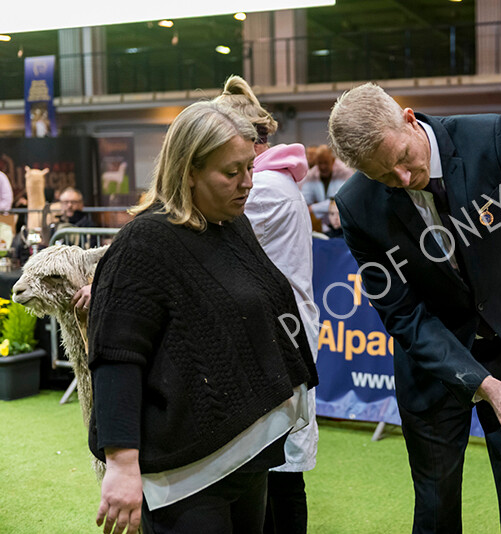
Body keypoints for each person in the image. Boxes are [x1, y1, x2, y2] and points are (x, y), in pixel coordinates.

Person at [329, 82, 501, 534]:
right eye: (380, 176)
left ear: (410, 119)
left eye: (400, 158)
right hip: (434, 368)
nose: (399, 178)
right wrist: (482, 383)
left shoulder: (489, 137)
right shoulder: (355, 205)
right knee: (434, 511)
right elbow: (404, 315)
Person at [87, 101, 318, 534]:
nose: (247, 183)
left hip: (247, 455)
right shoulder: (143, 245)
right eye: (231, 173)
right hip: (187, 475)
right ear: (188, 170)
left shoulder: (231, 225)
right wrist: (121, 463)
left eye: (249, 167)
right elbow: (116, 357)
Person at [214, 74, 319, 534]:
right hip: (274, 340)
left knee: (279, 475)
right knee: (272, 472)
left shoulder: (264, 189)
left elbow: (187, 236)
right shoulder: (275, 181)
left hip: (276, 344)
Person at [300, 144, 353, 225]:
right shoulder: (311, 175)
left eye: (326, 162)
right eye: (320, 163)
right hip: (323, 225)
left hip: (343, 223)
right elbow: (305, 200)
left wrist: (314, 208)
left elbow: (338, 201)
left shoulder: (345, 172)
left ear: (332, 160)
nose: (323, 167)